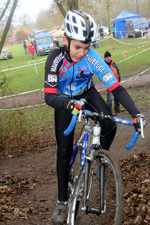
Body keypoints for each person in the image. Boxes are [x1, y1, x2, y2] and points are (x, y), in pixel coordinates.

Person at [44, 10, 144, 224]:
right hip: (63, 100)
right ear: (66, 40)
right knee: (64, 150)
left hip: (87, 93)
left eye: (86, 48)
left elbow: (116, 88)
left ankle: (97, 158)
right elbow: (49, 97)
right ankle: (62, 201)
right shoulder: (55, 58)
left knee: (109, 123)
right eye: (77, 47)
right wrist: (69, 103)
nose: (82, 53)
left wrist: (136, 113)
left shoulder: (92, 58)